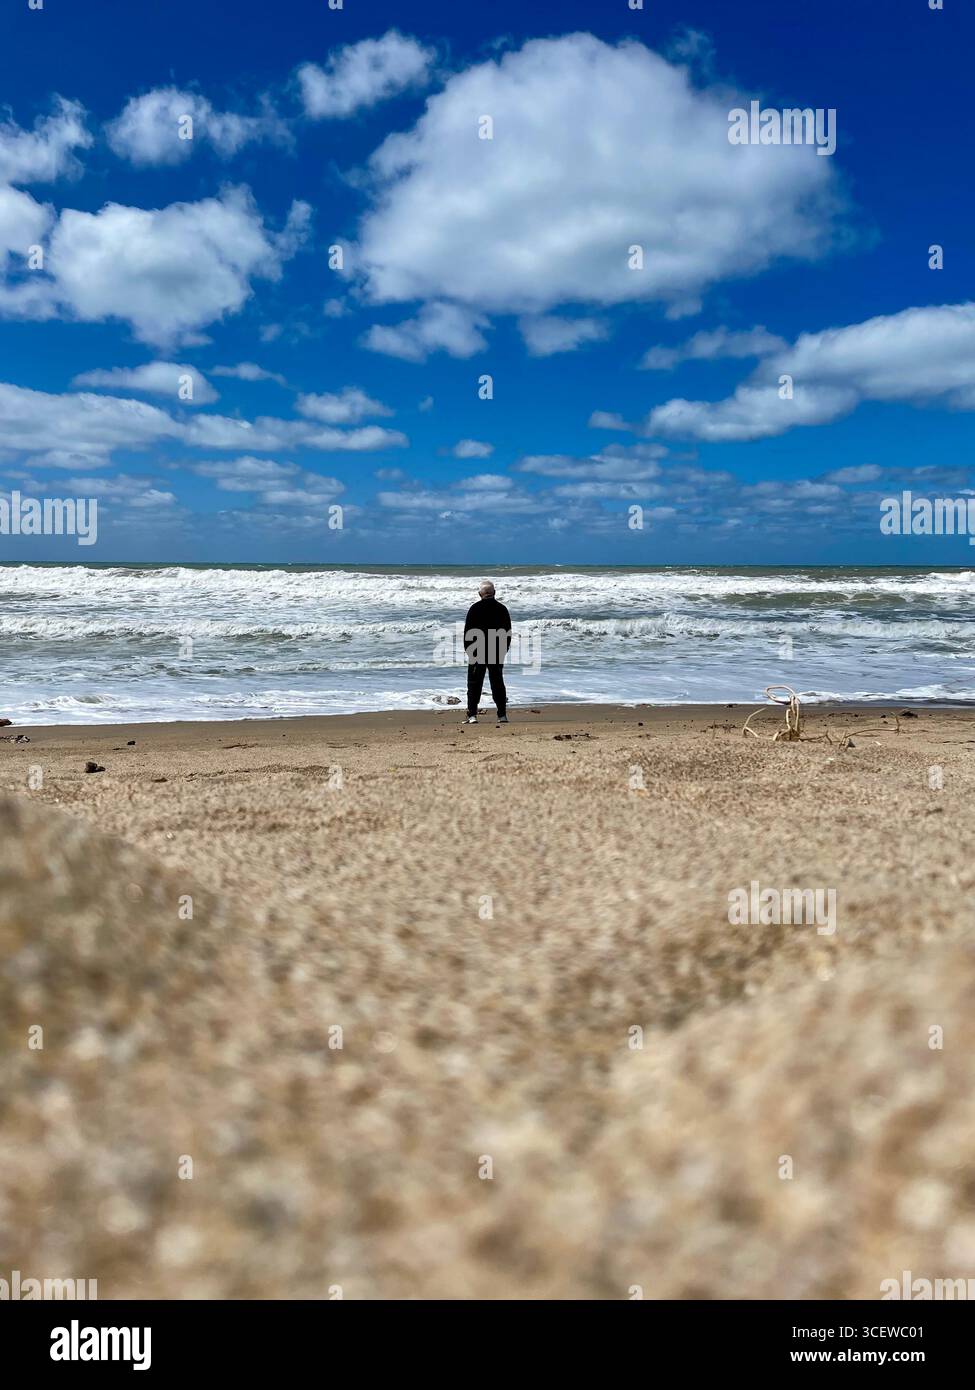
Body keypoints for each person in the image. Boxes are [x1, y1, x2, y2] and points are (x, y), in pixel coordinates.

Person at [463, 581, 511, 724]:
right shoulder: (502, 609)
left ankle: (472, 715)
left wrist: (469, 650)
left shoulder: (474, 609)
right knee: (497, 683)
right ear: (494, 593)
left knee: (474, 684)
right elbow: (507, 633)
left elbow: (468, 633)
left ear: (480, 594)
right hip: (496, 651)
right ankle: (502, 715)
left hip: (477, 651)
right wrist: (503, 650)